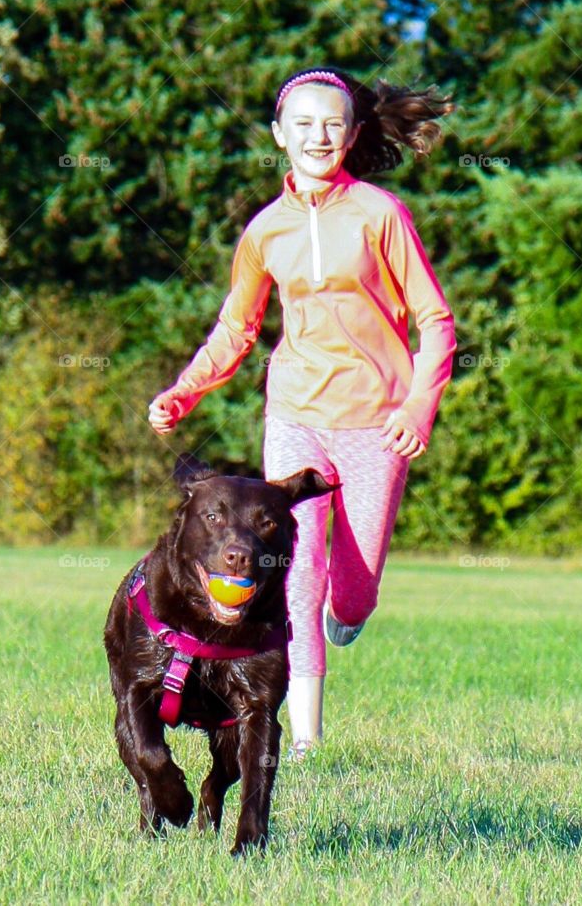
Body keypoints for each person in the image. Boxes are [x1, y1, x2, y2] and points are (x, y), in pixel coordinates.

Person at [148, 66, 457, 758]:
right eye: (304, 124)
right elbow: (237, 328)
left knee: (351, 591)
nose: (318, 136)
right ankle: (308, 735)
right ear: (280, 134)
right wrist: (184, 390)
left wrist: (418, 404)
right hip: (295, 410)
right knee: (292, 565)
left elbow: (436, 320)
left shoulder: (380, 213)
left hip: (376, 419)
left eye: (332, 124)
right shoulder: (266, 231)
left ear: (350, 134)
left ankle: (347, 613)